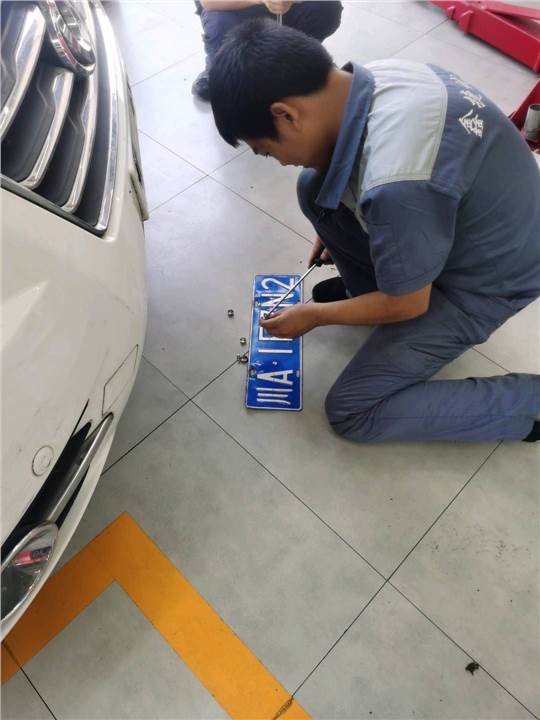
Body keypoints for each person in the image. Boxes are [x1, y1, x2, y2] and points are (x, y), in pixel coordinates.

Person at [208, 19, 540, 443]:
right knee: (315, 189)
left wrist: (315, 316)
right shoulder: (375, 79)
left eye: (268, 151)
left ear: (286, 115)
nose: (281, 161)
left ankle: (527, 402)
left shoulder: (398, 183)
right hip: (468, 225)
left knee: (352, 411)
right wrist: (339, 226)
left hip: (489, 283)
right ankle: (370, 290)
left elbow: (409, 303)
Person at [192, 0, 342, 101]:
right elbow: (209, 2)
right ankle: (218, 69)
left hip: (285, 7)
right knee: (220, 25)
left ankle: (302, 55)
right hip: (231, 7)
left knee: (327, 6)